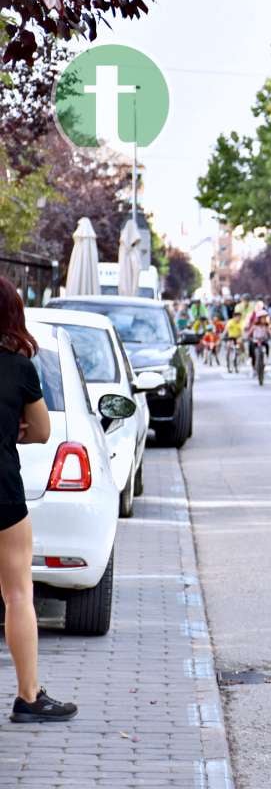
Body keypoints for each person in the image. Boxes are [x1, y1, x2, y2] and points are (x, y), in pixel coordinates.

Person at [0, 277, 78, 723]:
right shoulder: (18, 366)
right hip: (3, 490)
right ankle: (29, 698)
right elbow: (44, 430)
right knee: (16, 594)